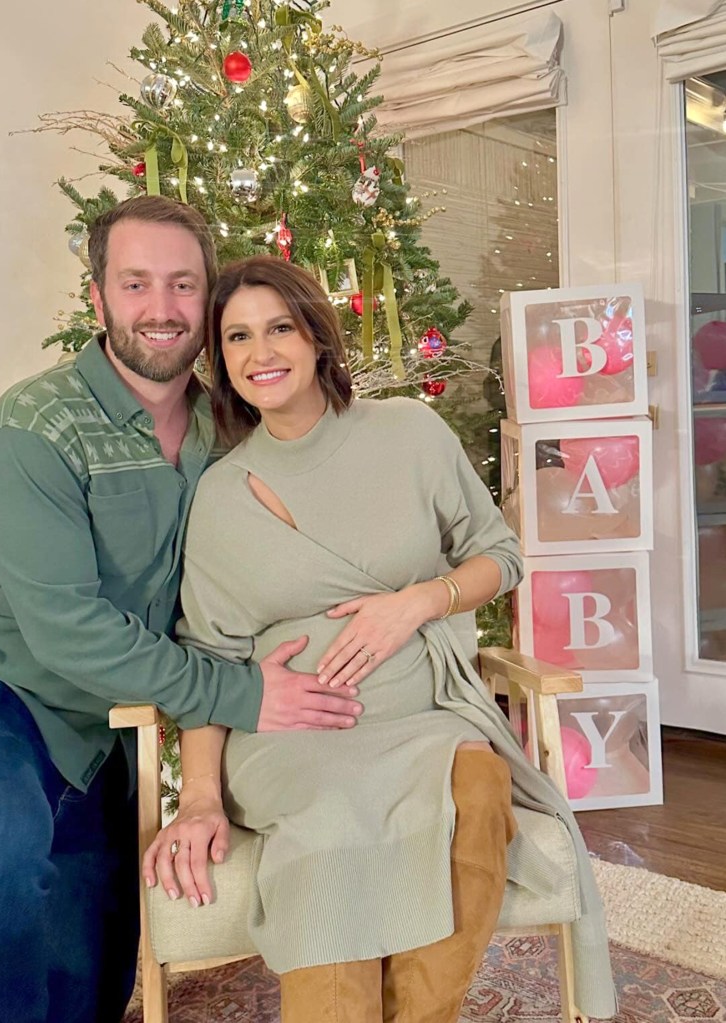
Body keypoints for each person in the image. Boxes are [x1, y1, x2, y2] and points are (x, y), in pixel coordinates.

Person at [0, 198, 364, 1023]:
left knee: (93, 987)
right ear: (99, 299)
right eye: (136, 283)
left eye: (183, 284)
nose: (163, 307)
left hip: (107, 736)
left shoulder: (231, 428)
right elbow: (67, 630)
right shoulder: (34, 427)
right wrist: (244, 692)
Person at [143, 256, 617, 1023]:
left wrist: (418, 602)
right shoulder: (223, 495)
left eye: (278, 329)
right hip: (288, 737)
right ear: (220, 362)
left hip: (422, 713)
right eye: (236, 337)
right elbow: (210, 659)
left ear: (317, 337)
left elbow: (501, 556)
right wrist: (199, 791)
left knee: (479, 785)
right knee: (330, 821)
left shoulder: (410, 433)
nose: (260, 353)